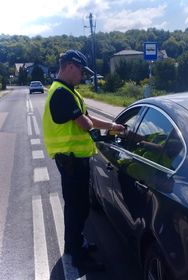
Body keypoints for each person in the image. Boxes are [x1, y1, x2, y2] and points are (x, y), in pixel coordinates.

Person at [42, 50, 124, 271]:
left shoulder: (69, 91)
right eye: (80, 70)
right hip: (71, 161)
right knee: (78, 208)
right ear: (69, 66)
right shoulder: (61, 93)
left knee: (76, 207)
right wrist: (104, 130)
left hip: (73, 160)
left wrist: (112, 126)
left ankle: (73, 245)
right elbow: (85, 124)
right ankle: (79, 258)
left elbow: (87, 117)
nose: (83, 75)